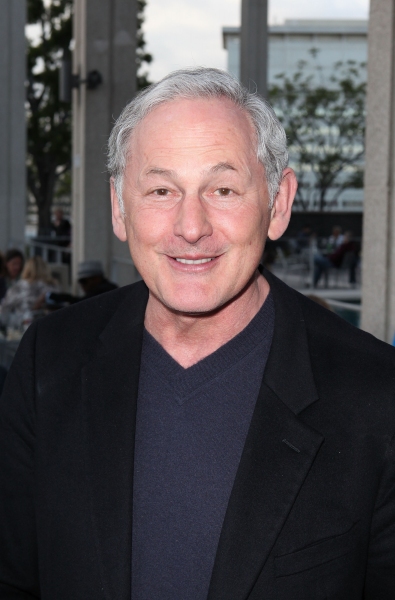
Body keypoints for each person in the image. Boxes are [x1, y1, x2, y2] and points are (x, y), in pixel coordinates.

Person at [0, 68, 394, 600]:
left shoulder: (376, 395)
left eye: (223, 189)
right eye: (161, 189)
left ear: (278, 204)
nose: (190, 226)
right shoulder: (51, 361)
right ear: (120, 206)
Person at [0, 256, 57, 330]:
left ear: (27, 269)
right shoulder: (53, 287)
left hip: (22, 331)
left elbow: (4, 310)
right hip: (48, 329)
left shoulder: (18, 286)